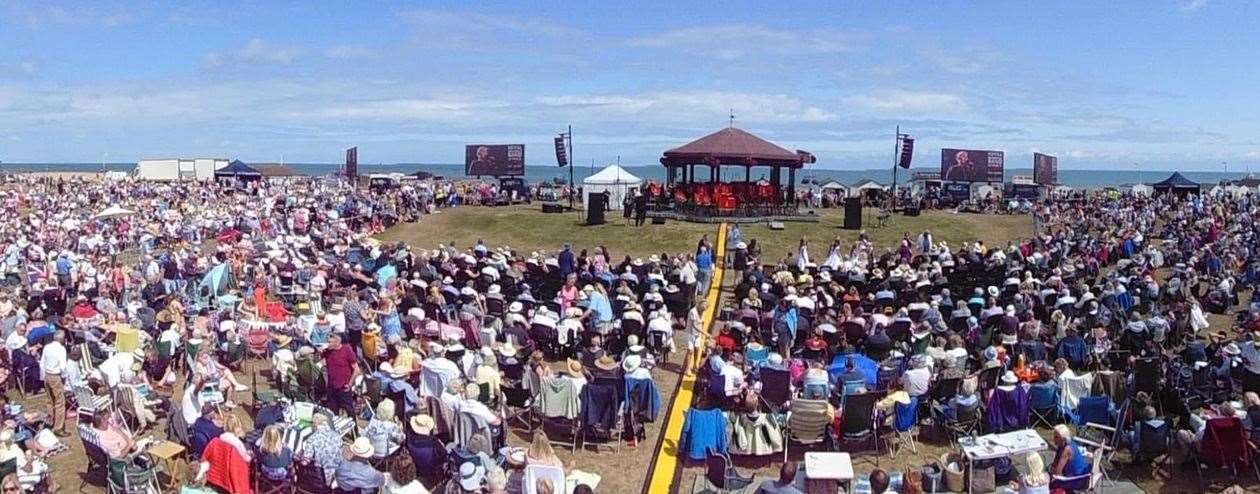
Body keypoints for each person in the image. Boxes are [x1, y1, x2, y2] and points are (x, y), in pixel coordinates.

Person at [38, 330, 68, 436]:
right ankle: (58, 427)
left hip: (47, 375)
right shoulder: (61, 349)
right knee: (60, 402)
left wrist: (43, 377)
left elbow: (42, 363)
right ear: (62, 339)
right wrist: (64, 378)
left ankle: (50, 421)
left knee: (50, 400)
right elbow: (63, 366)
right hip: (55, 376)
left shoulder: (47, 347)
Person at [322, 333, 359, 415]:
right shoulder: (327, 352)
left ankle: (354, 428)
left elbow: (356, 369)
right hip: (331, 388)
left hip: (343, 387)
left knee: (350, 412)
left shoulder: (347, 350)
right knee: (333, 413)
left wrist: (350, 384)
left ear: (337, 342)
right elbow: (322, 363)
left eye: (330, 341)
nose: (328, 343)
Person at [1049, 424, 1090, 491]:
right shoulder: (1066, 444)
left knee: (1049, 485)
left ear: (1063, 438)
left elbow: (1057, 472)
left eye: (1056, 437)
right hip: (1082, 474)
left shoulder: (1067, 449)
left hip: (1077, 479)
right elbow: (1055, 463)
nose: (1054, 439)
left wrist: (1049, 476)